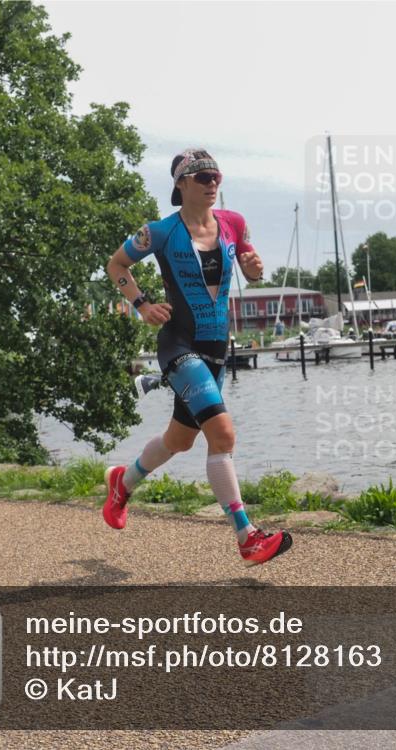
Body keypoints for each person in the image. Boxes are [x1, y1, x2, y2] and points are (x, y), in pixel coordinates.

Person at [103, 148, 292, 567]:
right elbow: (116, 265)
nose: (212, 184)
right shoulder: (159, 231)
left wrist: (254, 268)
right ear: (181, 184)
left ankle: (123, 483)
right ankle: (247, 537)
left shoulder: (234, 223)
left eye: (216, 176)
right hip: (179, 345)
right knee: (222, 436)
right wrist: (142, 305)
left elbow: (252, 271)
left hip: (216, 349)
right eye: (203, 177)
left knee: (180, 440)